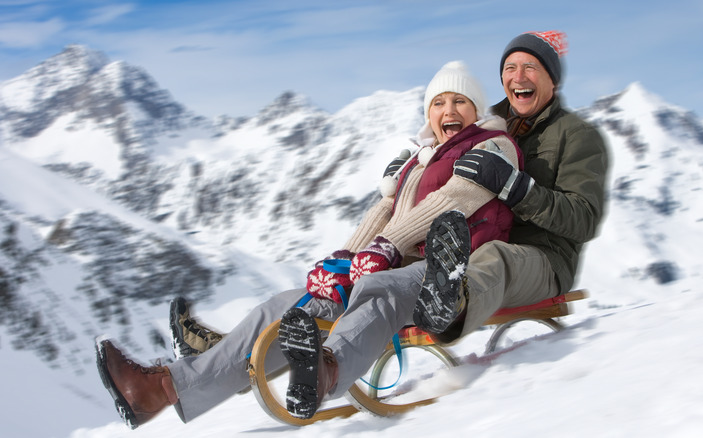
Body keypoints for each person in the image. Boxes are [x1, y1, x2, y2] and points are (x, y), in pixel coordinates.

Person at [95, 60, 523, 427]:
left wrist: (386, 248)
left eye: (460, 102)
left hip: (448, 270)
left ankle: (323, 372)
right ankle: (160, 389)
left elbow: (451, 200)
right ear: (428, 113)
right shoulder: (418, 158)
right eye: (439, 103)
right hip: (395, 259)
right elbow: (383, 210)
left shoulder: (493, 146)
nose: (449, 111)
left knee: (379, 290)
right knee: (285, 307)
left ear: (476, 108)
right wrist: (345, 259)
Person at [412, 31, 609, 341]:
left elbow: (584, 219)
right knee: (408, 260)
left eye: (530, 67)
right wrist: (414, 163)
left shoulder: (576, 135)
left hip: (544, 258)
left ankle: (449, 309)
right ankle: (329, 319)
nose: (519, 77)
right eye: (509, 68)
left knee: (495, 258)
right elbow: (443, 148)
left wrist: (519, 191)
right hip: (477, 239)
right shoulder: (486, 121)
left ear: (551, 79)